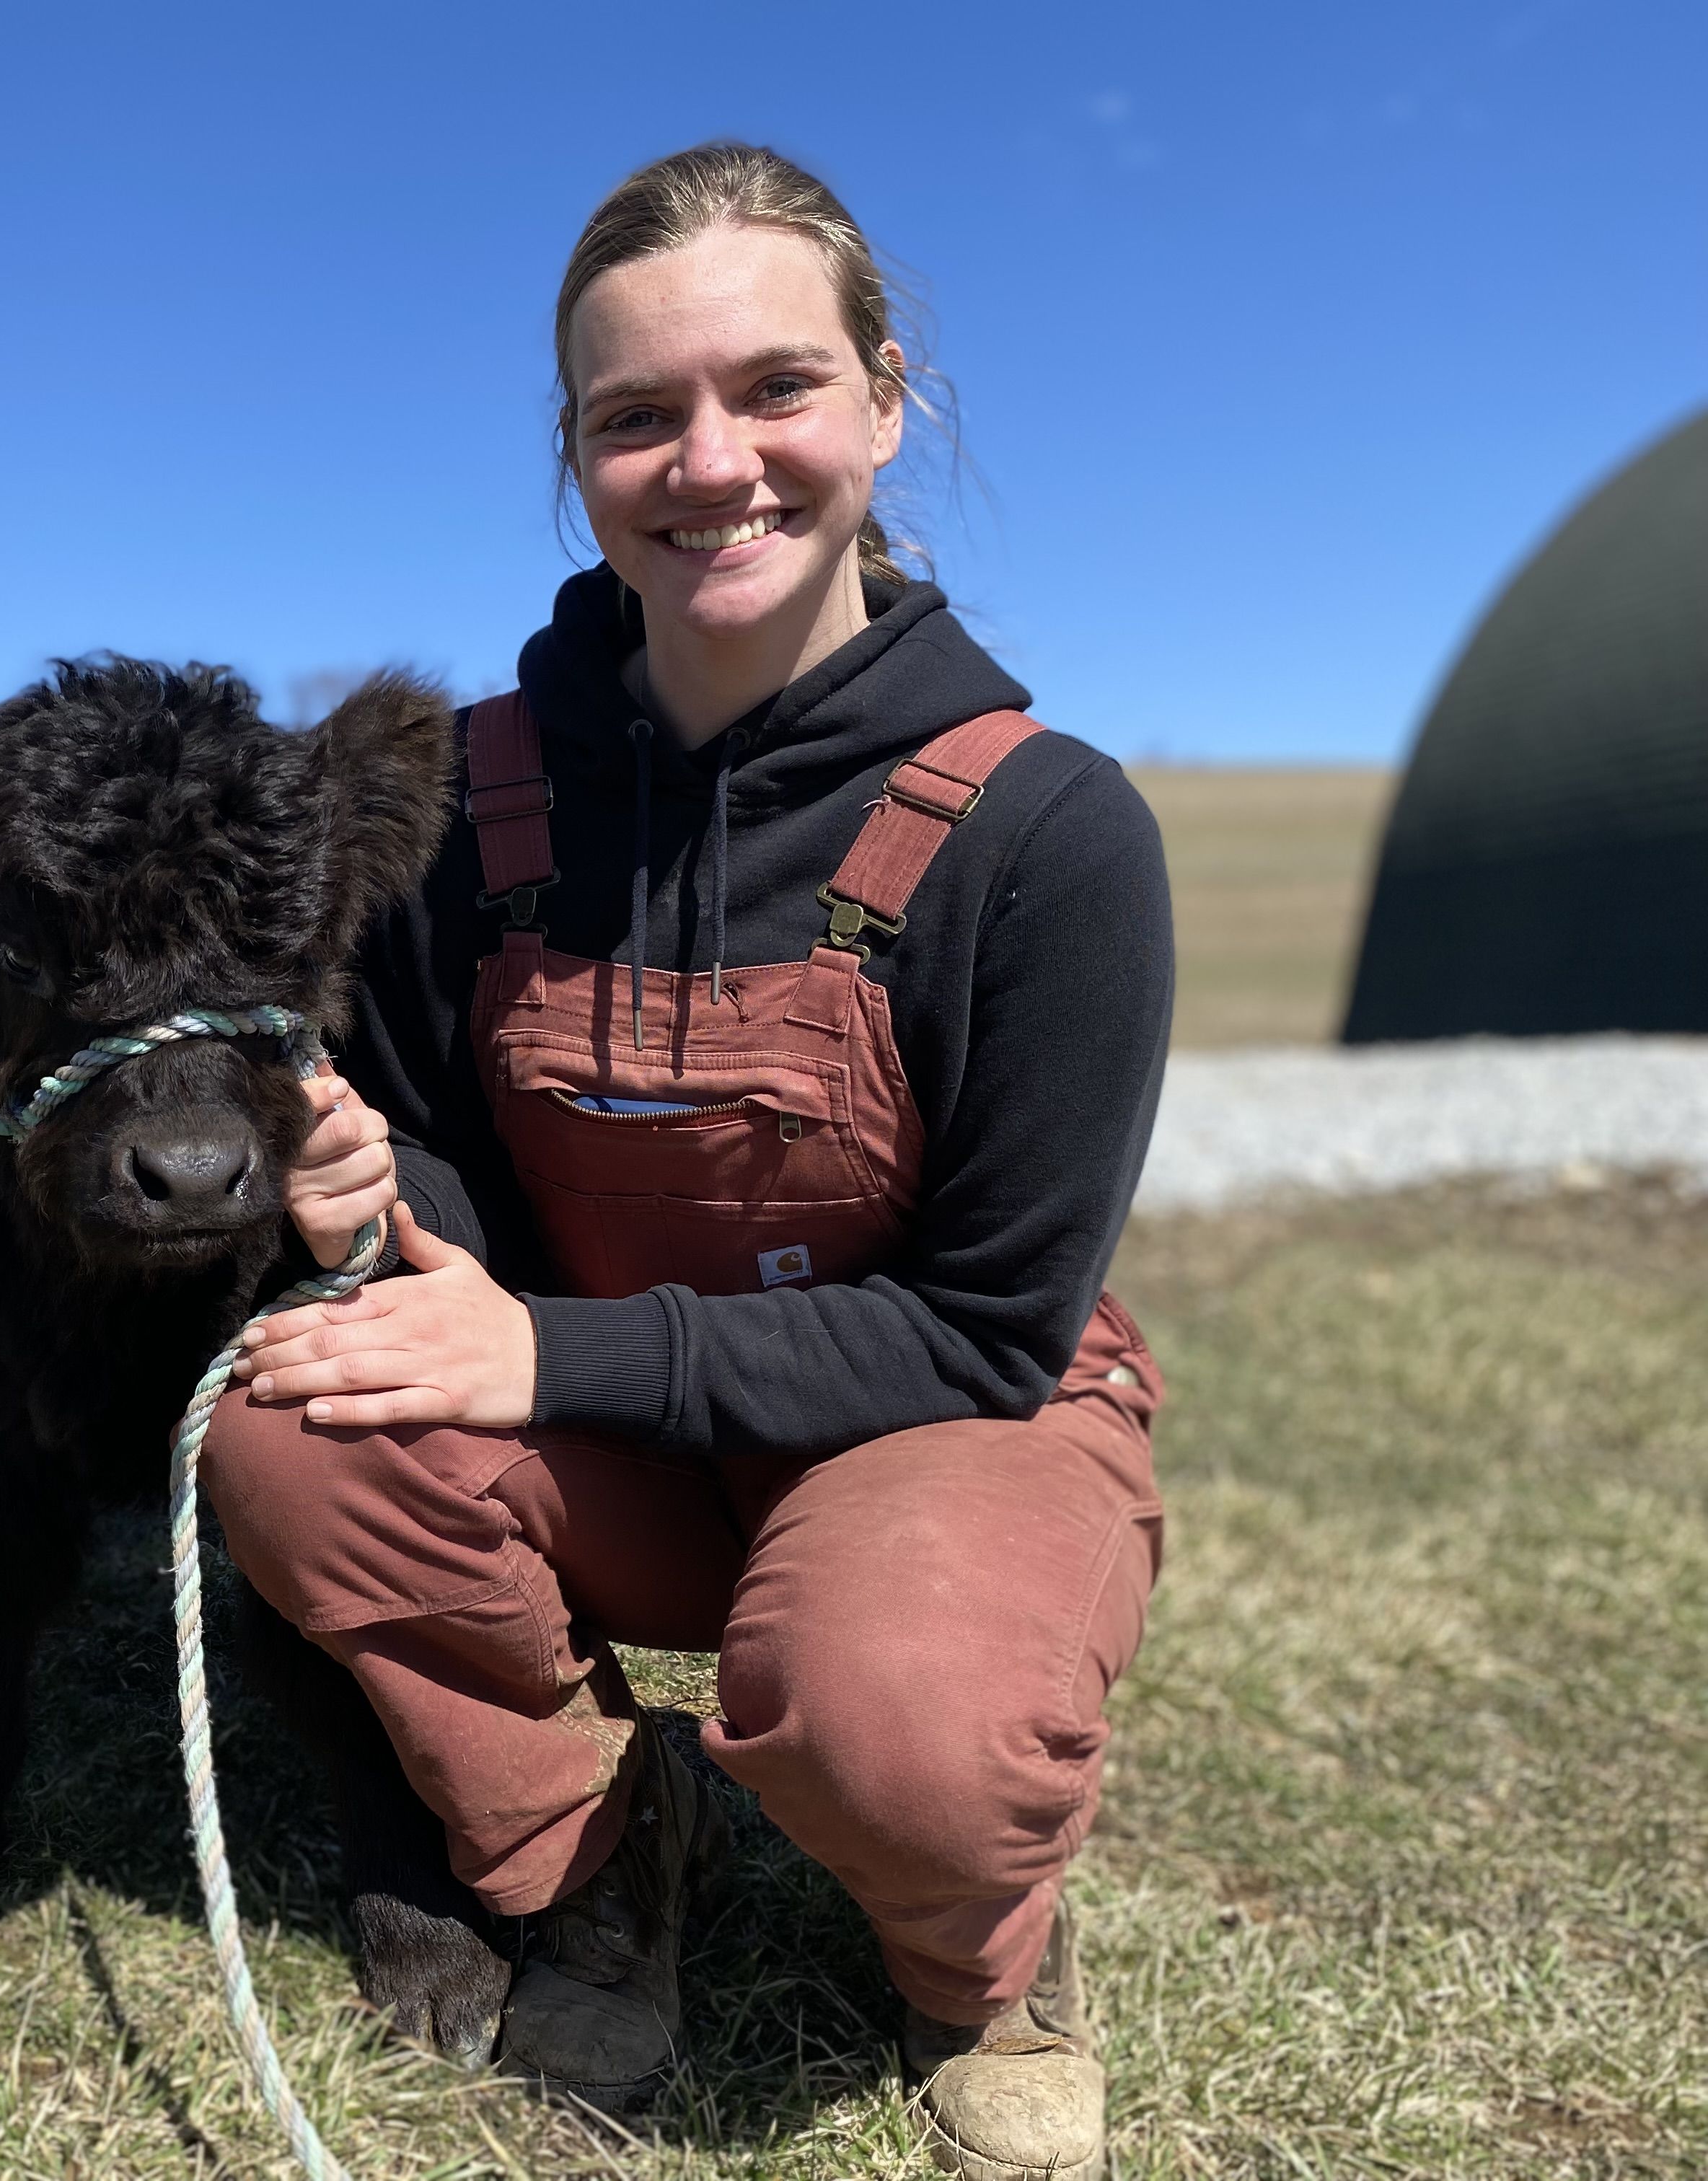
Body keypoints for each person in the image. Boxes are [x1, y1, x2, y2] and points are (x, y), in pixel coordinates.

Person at [203, 141, 1171, 2181]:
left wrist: (545, 1363)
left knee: (898, 1714)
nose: (711, 461)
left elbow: (992, 1330)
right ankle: (587, 1846)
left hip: (937, 1432)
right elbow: (449, 1169)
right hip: (636, 1454)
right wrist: (382, 1199)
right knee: (292, 1436)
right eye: (637, 415)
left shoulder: (1046, 833)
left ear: (885, 402)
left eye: (776, 389)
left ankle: (975, 1955)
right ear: (577, 457)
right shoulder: (466, 800)